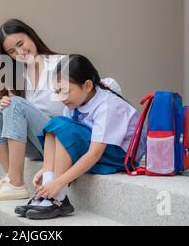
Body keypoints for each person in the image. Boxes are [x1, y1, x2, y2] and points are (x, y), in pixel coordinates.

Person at [0, 20, 121, 201]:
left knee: (16, 104)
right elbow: (20, 115)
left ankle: (14, 183)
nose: (20, 53)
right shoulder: (17, 77)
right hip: (39, 143)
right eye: (11, 52)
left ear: (31, 36)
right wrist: (7, 104)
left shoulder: (61, 64)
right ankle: (13, 180)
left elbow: (104, 87)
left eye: (21, 44)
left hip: (63, 143)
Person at [15, 54, 146, 220]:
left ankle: (58, 197)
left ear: (88, 85)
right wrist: (48, 171)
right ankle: (46, 191)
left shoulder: (107, 105)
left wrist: (60, 181)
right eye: (57, 92)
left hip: (119, 156)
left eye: (65, 91)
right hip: (96, 149)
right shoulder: (74, 103)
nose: (61, 97)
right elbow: (61, 137)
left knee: (62, 126)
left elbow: (94, 153)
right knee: (54, 125)